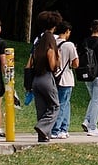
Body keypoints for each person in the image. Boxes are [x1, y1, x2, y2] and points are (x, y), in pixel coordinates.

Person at [26, 12, 61, 140]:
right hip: (46, 76)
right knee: (55, 106)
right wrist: (57, 62)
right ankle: (42, 127)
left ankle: (43, 136)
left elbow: (29, 63)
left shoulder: (38, 40)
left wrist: (27, 83)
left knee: (41, 108)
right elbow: (51, 58)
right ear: (55, 25)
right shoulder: (50, 38)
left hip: (35, 79)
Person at [53, 20, 80, 135]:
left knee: (62, 103)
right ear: (67, 31)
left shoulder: (52, 43)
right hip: (66, 78)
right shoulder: (69, 45)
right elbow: (76, 64)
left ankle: (64, 128)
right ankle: (57, 130)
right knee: (63, 104)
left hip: (54, 78)